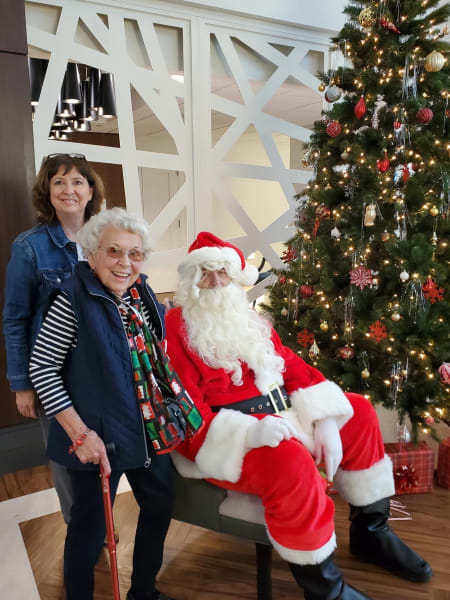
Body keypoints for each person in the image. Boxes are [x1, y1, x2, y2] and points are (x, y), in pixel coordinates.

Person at [164, 231, 432, 600]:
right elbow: (187, 413)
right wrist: (250, 435)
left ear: (235, 277)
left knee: (359, 410)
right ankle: (325, 588)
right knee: (289, 460)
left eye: (222, 272)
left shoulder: (247, 318)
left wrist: (323, 417)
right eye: (204, 274)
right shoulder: (177, 329)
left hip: (281, 414)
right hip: (230, 438)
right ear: (192, 283)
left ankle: (371, 533)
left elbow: (292, 367)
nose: (214, 282)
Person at [29, 208, 175, 600]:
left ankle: (144, 591)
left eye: (134, 253)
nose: (125, 263)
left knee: (160, 507)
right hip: (97, 441)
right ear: (92, 255)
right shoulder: (70, 299)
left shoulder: (142, 292)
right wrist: (80, 435)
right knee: (89, 531)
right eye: (113, 252)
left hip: (146, 430)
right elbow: (42, 369)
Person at [3, 153, 104, 524]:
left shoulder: (105, 239)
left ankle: (101, 523)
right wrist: (22, 383)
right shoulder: (29, 247)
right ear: (47, 191)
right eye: (58, 181)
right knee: (67, 455)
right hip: (53, 374)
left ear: (91, 190)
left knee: (103, 450)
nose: (68, 190)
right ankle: (80, 532)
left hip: (101, 369)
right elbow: (15, 318)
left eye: (77, 181)